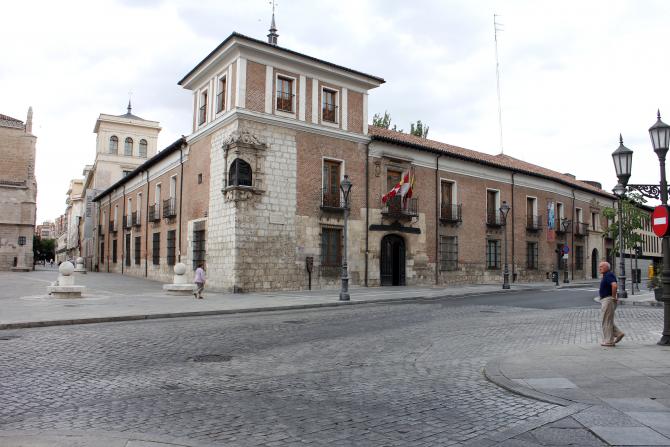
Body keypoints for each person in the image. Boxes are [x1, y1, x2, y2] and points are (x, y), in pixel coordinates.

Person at [598, 261, 625, 347]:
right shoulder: (607, 275)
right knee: (607, 320)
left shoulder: (609, 275)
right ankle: (618, 333)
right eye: (599, 266)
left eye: (602, 266)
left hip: (608, 300)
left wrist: (613, 297)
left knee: (606, 321)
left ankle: (609, 341)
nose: (600, 268)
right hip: (607, 300)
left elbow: (614, 285)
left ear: (607, 267)